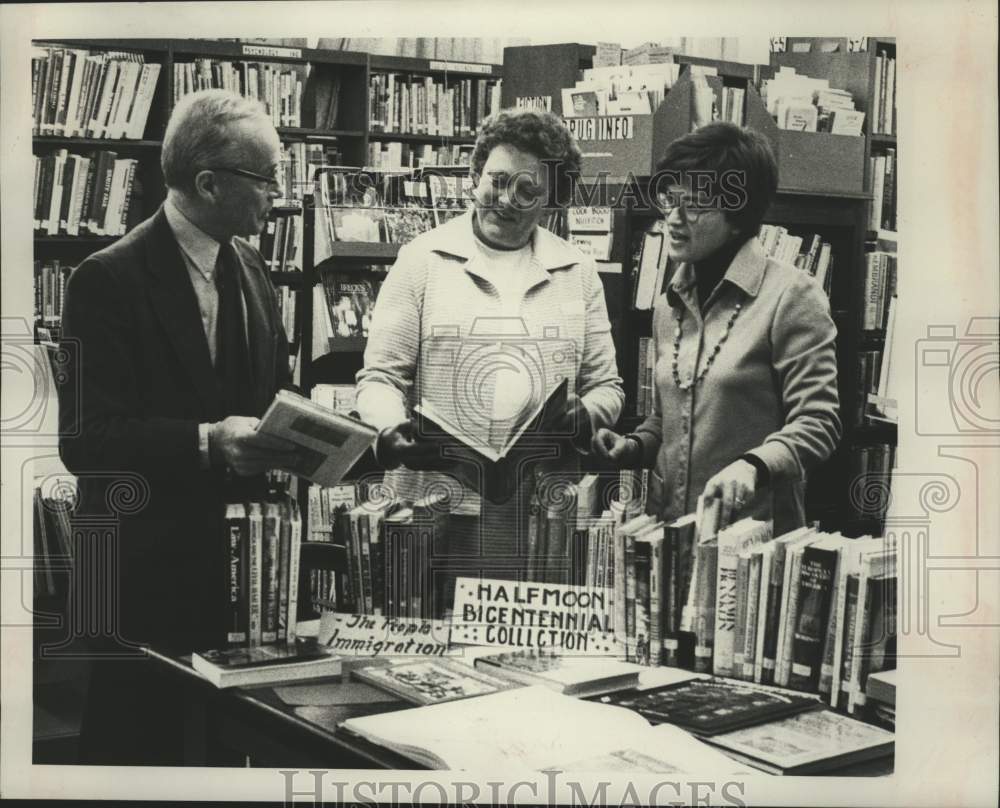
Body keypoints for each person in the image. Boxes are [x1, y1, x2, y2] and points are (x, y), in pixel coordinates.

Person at [58, 89, 299, 764]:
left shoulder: (251, 268)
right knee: (134, 754)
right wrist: (207, 441)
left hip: (237, 576)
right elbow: (86, 440)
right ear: (207, 182)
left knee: (226, 755)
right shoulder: (102, 280)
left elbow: (266, 391)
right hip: (141, 580)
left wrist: (316, 430)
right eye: (266, 179)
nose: (277, 197)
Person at [356, 109, 624, 604]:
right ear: (474, 175)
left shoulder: (578, 271)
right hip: (436, 503)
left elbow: (608, 386)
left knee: (530, 657)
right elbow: (379, 377)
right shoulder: (422, 259)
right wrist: (389, 429)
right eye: (495, 181)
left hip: (540, 512)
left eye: (526, 191)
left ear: (552, 200)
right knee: (427, 645)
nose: (504, 201)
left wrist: (583, 415)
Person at [593, 122, 841, 534]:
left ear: (739, 216)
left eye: (695, 205)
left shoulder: (791, 296)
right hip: (667, 535)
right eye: (670, 200)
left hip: (749, 541)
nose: (674, 219)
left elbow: (819, 422)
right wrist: (633, 446)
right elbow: (667, 419)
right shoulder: (665, 305)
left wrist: (753, 466)